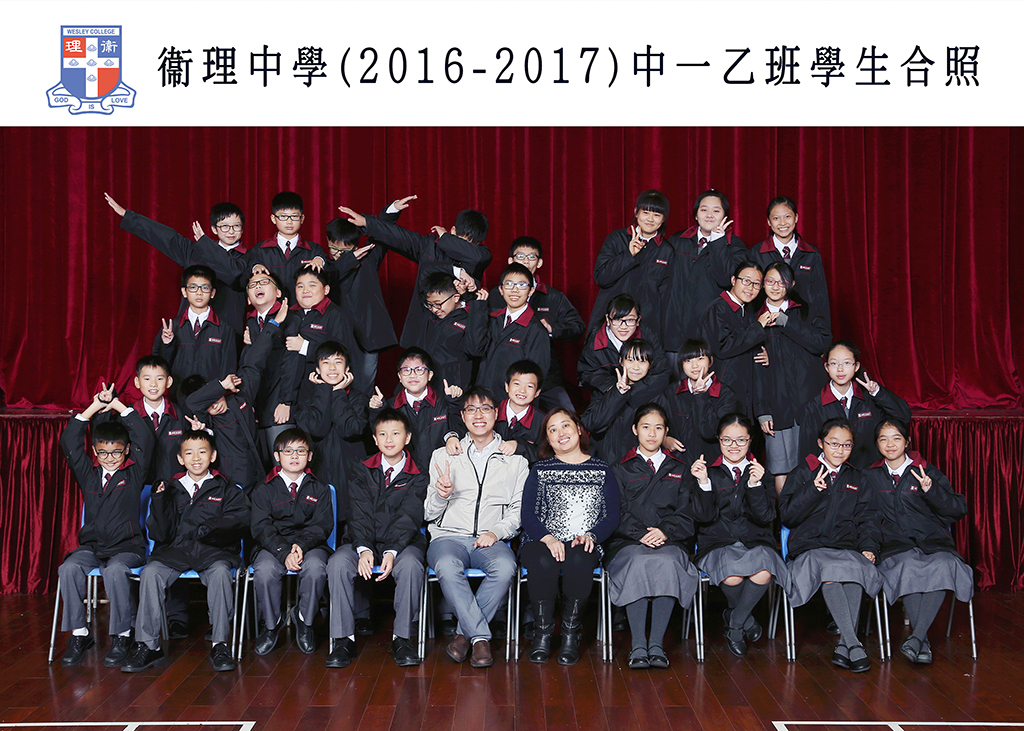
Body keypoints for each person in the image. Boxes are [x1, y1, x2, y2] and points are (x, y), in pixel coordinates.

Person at [122, 430, 249, 673]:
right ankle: (148, 646)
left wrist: (208, 529)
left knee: (221, 574)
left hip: (214, 551)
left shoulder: (227, 488)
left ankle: (220, 644)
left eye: (202, 452)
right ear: (181, 459)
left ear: (213, 456)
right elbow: (159, 534)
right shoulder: (169, 488)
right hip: (176, 551)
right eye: (189, 453)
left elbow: (238, 521)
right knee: (150, 573)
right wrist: (159, 501)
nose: (196, 458)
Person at [425, 386, 527, 668]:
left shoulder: (516, 461)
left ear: (497, 413)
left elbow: (518, 511)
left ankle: (463, 635)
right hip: (448, 537)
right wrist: (441, 496)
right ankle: (480, 637)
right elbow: (428, 512)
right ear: (462, 416)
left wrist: (496, 533)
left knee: (506, 567)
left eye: (485, 409)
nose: (478, 415)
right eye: (471, 409)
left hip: (491, 539)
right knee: (446, 565)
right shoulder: (443, 455)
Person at [607, 403, 711, 669]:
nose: (651, 434)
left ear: (666, 432)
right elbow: (614, 512)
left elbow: (687, 512)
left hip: (670, 541)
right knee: (639, 562)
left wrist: (665, 531)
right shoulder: (620, 468)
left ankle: (656, 645)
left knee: (667, 562)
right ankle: (638, 645)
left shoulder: (680, 468)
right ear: (635, 430)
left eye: (658, 428)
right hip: (629, 542)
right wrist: (640, 534)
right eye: (645, 427)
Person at [57, 383, 153, 667]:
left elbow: (145, 437)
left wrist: (118, 406)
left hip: (127, 548)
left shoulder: (134, 473)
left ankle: (123, 635)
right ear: (95, 452)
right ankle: (80, 633)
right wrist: (95, 406)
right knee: (68, 568)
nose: (110, 459)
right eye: (103, 453)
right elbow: (69, 441)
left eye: (116, 453)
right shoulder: (88, 473)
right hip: (94, 547)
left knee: (114, 571)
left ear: (126, 451)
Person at [779, 418, 882, 673]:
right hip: (809, 548)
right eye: (833, 443)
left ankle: (846, 645)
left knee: (854, 572)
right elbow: (788, 517)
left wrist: (869, 547)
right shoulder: (802, 472)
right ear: (820, 443)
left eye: (846, 445)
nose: (840, 450)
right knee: (831, 572)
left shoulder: (857, 477)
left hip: (845, 547)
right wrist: (812, 490)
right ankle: (854, 644)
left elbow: (868, 518)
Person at [867, 418, 973, 664]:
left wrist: (931, 491)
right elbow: (865, 518)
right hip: (895, 546)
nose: (890, 444)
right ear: (876, 444)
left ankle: (916, 639)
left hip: (933, 542)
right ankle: (920, 642)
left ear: (907, 442)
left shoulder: (926, 471)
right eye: (883, 439)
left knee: (944, 566)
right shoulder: (869, 476)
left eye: (896, 438)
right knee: (908, 567)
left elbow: (957, 509)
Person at [327, 409, 427, 668]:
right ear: (374, 439)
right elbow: (357, 512)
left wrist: (392, 551)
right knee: (337, 563)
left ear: (407, 437)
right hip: (362, 540)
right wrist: (363, 549)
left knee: (411, 565)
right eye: (382, 434)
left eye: (395, 433)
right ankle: (343, 639)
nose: (389, 439)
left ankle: (402, 638)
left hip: (403, 543)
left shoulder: (419, 474)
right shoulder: (361, 469)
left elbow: (409, 516)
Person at [520, 409, 619, 664]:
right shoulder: (539, 470)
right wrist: (548, 538)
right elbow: (528, 515)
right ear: (548, 440)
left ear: (578, 429)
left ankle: (570, 635)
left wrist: (592, 536)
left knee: (579, 559)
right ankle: (542, 634)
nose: (560, 433)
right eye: (552, 430)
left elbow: (612, 516)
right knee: (542, 561)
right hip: (542, 540)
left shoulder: (601, 470)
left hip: (584, 541)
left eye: (565, 426)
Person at [692, 413, 789, 657]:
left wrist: (755, 486)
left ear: (750, 441)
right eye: (727, 440)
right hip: (718, 542)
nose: (734, 446)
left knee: (764, 571)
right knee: (732, 576)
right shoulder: (709, 472)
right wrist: (703, 483)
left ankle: (735, 624)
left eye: (741, 440)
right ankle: (746, 620)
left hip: (755, 541)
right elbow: (703, 517)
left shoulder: (761, 473)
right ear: (718, 440)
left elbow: (766, 517)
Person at [338, 201, 491, 349]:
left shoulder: (480, 256)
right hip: (423, 328)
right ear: (453, 230)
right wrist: (368, 222)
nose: (461, 249)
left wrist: (445, 237)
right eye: (460, 241)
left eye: (470, 245)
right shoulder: (430, 245)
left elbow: (474, 255)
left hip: (456, 334)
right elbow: (398, 237)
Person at [105, 193, 248, 335]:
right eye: (224, 226)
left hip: (228, 333)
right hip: (190, 332)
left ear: (242, 228)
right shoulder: (196, 252)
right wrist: (129, 216)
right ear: (214, 229)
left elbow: (234, 274)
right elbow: (166, 237)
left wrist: (206, 244)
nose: (231, 231)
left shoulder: (249, 258)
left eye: (236, 226)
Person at [249, 428, 333, 656]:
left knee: (315, 568)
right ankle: (272, 624)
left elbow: (322, 525)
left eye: (300, 451)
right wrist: (284, 551)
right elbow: (261, 527)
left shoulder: (320, 489)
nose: (294, 456)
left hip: (311, 545)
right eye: (288, 451)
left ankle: (304, 620)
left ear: (310, 456)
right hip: (273, 546)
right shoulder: (264, 489)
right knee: (264, 570)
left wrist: (302, 546)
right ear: (277, 456)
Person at [752, 261, 832, 494]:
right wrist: (762, 409)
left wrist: (787, 323)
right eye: (770, 281)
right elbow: (754, 370)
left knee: (812, 467)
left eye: (782, 282)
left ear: (792, 284)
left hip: (808, 402)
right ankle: (783, 518)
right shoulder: (754, 318)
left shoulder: (806, 311)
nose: (775, 286)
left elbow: (820, 344)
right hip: (777, 405)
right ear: (762, 284)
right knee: (781, 469)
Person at [487, 236, 585, 412]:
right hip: (503, 374)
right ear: (510, 260)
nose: (525, 261)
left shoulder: (553, 296)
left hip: (546, 376)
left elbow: (578, 326)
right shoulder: (497, 294)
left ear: (539, 262)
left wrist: (552, 329)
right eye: (520, 256)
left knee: (568, 417)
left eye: (531, 257)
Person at [796, 340, 912, 469]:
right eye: (834, 363)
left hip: (870, 474)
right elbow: (808, 453)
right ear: (826, 367)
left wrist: (877, 393)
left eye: (846, 363)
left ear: (856, 366)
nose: (840, 369)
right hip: (834, 477)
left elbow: (904, 416)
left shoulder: (870, 398)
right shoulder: (814, 407)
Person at [665, 189, 748, 354]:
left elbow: (725, 279)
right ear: (696, 215)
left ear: (725, 216)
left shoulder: (735, 246)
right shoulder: (677, 240)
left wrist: (718, 241)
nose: (709, 215)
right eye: (704, 210)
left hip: (710, 332)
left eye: (716, 211)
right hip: (674, 331)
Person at [293, 341, 367, 521]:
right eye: (326, 362)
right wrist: (323, 391)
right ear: (317, 369)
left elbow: (349, 429)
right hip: (319, 473)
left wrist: (339, 393)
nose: (332, 368)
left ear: (347, 368)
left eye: (338, 362)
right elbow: (317, 429)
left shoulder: (359, 399)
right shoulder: (306, 400)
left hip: (352, 476)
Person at [588, 190, 673, 344]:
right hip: (612, 323)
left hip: (646, 327)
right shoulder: (617, 239)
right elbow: (601, 277)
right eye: (646, 212)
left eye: (656, 215)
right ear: (636, 212)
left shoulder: (667, 250)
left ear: (663, 219)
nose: (650, 219)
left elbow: (666, 297)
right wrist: (628, 255)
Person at [369, 347, 464, 476]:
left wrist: (454, 403)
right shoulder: (391, 407)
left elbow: (459, 427)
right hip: (407, 477)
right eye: (406, 370)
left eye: (419, 369)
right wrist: (377, 410)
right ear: (399, 376)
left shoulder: (444, 401)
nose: (413, 375)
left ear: (430, 375)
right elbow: (379, 439)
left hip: (443, 472)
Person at [698, 260, 772, 417]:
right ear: (733, 280)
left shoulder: (744, 311)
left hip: (741, 390)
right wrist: (758, 327)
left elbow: (744, 343)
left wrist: (763, 354)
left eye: (756, 284)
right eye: (746, 281)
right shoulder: (718, 308)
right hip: (724, 391)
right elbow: (724, 346)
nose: (750, 288)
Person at [466, 263, 551, 398]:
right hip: (483, 400)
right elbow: (474, 349)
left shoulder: (536, 331)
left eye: (522, 285)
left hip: (510, 403)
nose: (514, 290)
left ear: (531, 291)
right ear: (501, 290)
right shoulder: (493, 319)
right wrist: (478, 309)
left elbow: (535, 378)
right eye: (509, 284)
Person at [747, 195, 831, 326]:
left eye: (787, 216)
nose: (782, 223)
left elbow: (820, 297)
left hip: (804, 326)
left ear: (796, 218)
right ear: (769, 222)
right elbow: (750, 294)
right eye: (776, 218)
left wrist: (822, 331)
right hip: (767, 326)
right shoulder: (756, 253)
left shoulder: (811, 253)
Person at [154, 264, 237, 388]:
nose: (199, 292)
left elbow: (228, 367)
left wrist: (220, 392)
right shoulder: (172, 327)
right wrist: (167, 344)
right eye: (193, 287)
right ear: (184, 292)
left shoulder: (224, 328)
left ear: (212, 293)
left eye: (205, 287)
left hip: (211, 395)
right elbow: (160, 367)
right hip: (179, 394)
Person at [582, 340, 666, 462]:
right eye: (630, 360)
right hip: (607, 460)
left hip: (639, 463)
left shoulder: (656, 395)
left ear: (650, 365)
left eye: (642, 361)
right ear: (621, 361)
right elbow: (592, 424)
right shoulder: (605, 389)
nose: (636, 367)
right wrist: (617, 393)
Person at [658, 338, 740, 459]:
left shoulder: (726, 395)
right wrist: (664, 439)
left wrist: (700, 395)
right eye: (688, 360)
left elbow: (709, 432)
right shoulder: (672, 391)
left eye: (700, 359)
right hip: (679, 462)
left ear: (710, 361)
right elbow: (659, 422)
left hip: (712, 462)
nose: (694, 365)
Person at [577, 294, 669, 395]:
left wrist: (633, 392)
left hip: (642, 394)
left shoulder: (647, 336)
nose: (623, 326)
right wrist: (617, 389)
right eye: (617, 319)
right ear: (608, 320)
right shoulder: (595, 341)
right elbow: (586, 373)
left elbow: (661, 370)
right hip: (608, 395)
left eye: (630, 320)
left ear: (638, 320)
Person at [492, 360, 546, 465]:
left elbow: (545, 454)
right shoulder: (491, 411)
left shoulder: (543, 421)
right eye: (517, 384)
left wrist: (520, 447)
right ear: (507, 386)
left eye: (529, 386)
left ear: (537, 392)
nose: (522, 390)